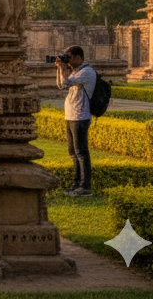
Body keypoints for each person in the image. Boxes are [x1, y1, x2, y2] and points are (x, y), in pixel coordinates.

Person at [56, 45, 97, 196]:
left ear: (79, 58)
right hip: (71, 115)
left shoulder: (86, 72)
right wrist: (60, 68)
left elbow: (66, 82)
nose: (68, 60)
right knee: (73, 152)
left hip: (80, 116)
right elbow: (61, 85)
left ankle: (85, 187)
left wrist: (63, 68)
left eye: (70, 57)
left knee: (81, 152)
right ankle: (76, 184)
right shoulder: (76, 72)